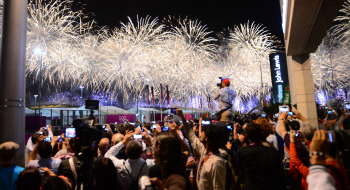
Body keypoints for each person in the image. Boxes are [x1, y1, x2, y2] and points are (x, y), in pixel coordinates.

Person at [177, 108, 226, 190]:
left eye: (204, 131)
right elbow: (190, 134)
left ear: (208, 138)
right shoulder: (204, 150)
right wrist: (182, 117)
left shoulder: (217, 162)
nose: (201, 132)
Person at [237, 123, 285, 190]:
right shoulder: (272, 152)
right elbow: (280, 175)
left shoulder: (242, 152)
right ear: (260, 134)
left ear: (247, 137)